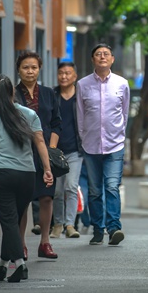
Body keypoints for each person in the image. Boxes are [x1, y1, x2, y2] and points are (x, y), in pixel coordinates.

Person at [0, 75, 53, 283]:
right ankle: (2, 265)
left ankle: (20, 265)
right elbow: (41, 143)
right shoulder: (29, 114)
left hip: (3, 176)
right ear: (12, 93)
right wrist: (47, 169)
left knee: (9, 221)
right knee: (13, 220)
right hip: (27, 176)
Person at [76, 44, 130, 246]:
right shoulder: (82, 84)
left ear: (112, 59)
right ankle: (98, 229)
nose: (102, 57)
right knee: (94, 190)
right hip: (90, 146)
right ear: (93, 59)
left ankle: (114, 227)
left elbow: (124, 114)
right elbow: (80, 115)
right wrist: (84, 138)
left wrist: (119, 135)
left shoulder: (122, 84)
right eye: (98, 54)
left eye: (106, 54)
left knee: (112, 186)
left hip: (115, 145)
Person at [14, 51, 61, 260]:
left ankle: (45, 242)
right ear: (18, 70)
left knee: (46, 197)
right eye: (25, 67)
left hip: (45, 153)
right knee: (22, 200)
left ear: (39, 69)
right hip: (21, 151)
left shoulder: (49, 93)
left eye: (34, 67)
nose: (30, 71)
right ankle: (21, 244)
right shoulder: (12, 94)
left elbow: (56, 124)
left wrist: (50, 150)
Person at [51, 62, 83, 239]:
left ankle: (70, 225)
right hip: (56, 151)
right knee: (57, 190)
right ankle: (57, 224)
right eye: (61, 73)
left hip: (75, 150)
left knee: (71, 187)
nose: (64, 76)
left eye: (68, 73)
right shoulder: (51, 95)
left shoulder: (80, 97)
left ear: (74, 76)